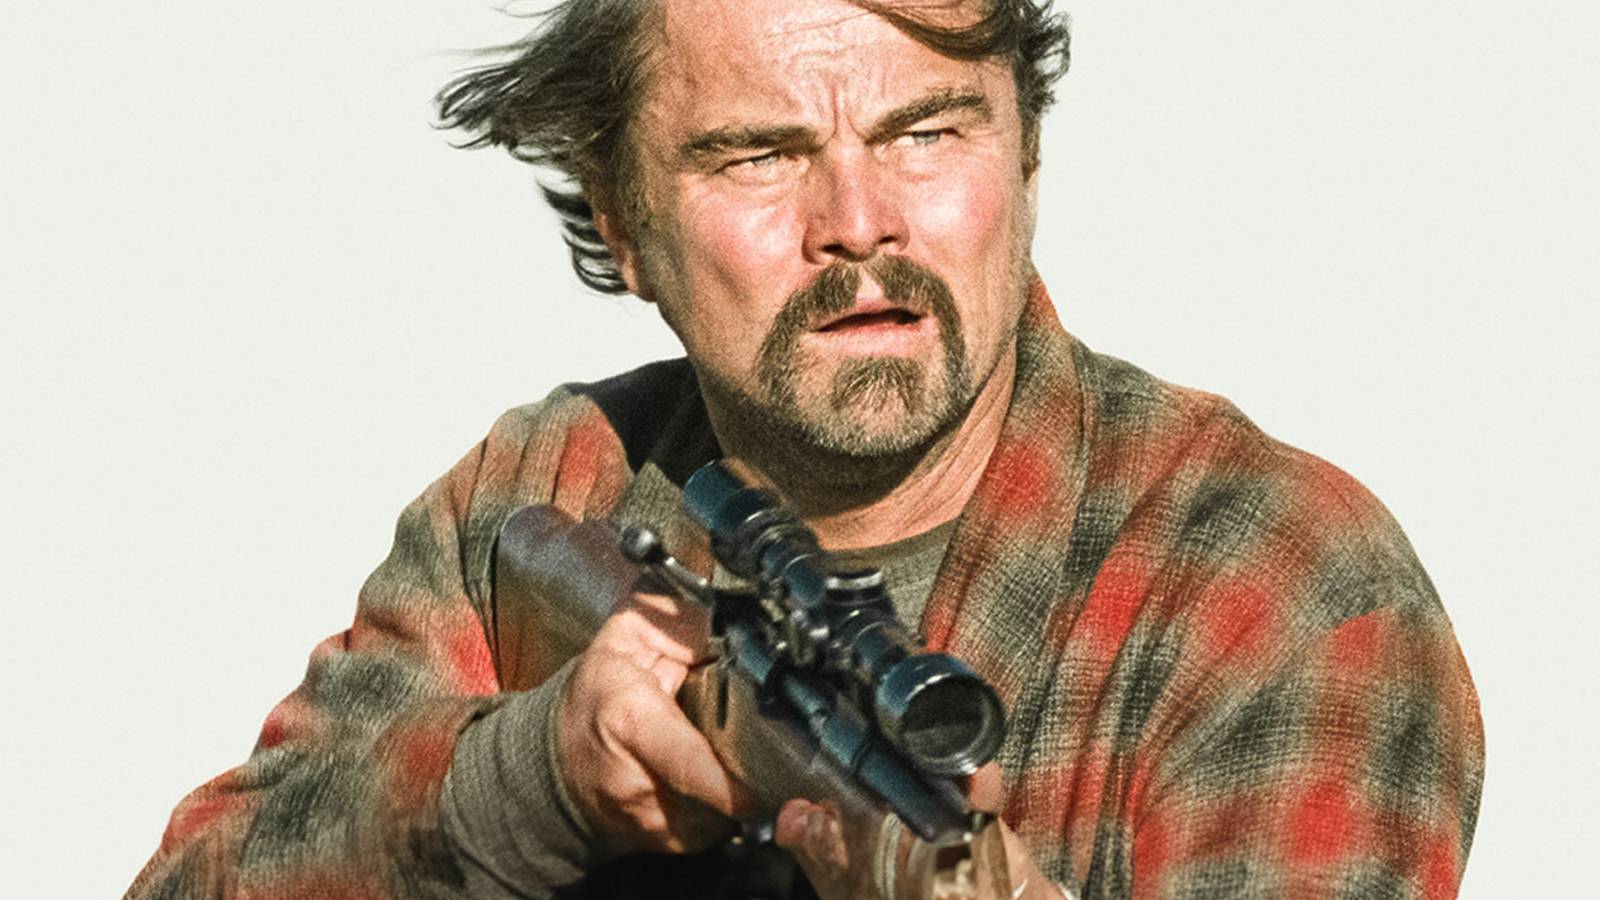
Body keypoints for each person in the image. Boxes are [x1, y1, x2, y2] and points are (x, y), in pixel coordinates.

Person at [126, 0, 1484, 897]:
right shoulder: (554, 487)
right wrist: (528, 781)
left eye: (926, 133)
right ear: (624, 223)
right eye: (758, 156)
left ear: (1024, 161)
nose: (857, 222)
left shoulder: (1279, 586)